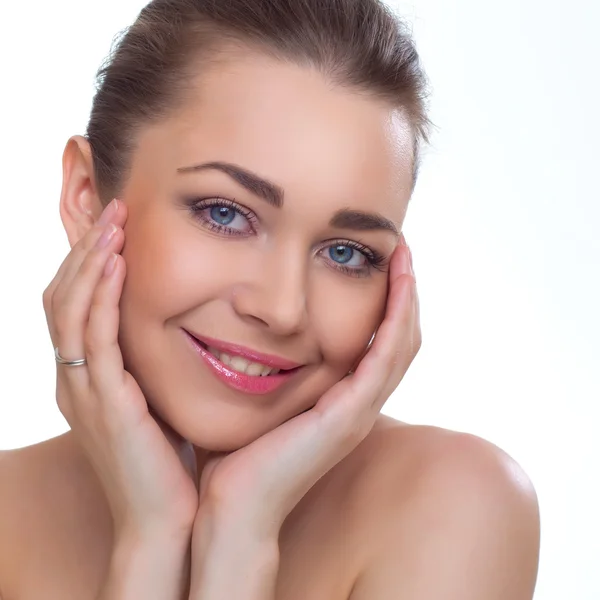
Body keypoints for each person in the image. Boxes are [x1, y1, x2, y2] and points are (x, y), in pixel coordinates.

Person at [0, 0, 541, 598]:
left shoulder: (454, 503)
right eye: (225, 214)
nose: (282, 309)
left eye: (345, 253)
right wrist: (151, 539)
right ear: (85, 196)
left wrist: (239, 538)